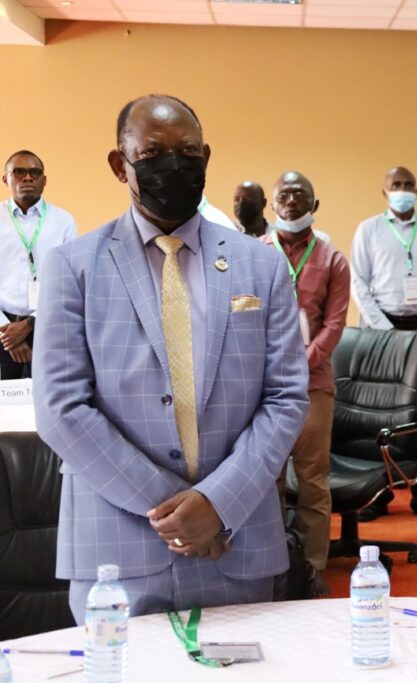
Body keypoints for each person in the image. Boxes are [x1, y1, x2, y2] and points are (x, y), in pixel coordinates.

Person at [33, 94, 309, 621]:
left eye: (187, 150)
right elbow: (61, 408)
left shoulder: (261, 266)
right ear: (121, 164)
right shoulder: (72, 266)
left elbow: (287, 397)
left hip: (238, 538)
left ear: (206, 158)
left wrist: (218, 504)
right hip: (116, 547)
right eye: (153, 151)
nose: (173, 164)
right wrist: (180, 511)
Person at [260, 171, 349, 596]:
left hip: (313, 387)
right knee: (266, 481)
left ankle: (313, 569)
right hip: (263, 392)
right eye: (284, 194)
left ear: (315, 206)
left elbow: (334, 324)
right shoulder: (253, 254)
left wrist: (300, 364)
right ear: (271, 205)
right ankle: (274, 566)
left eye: (301, 195)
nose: (291, 201)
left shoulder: (333, 259)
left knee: (313, 482)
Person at [350, 166, 417, 522]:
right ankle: (378, 496)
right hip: (381, 330)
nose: (403, 190)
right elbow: (359, 284)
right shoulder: (368, 230)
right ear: (384, 192)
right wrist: (384, 330)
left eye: (409, 184)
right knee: (381, 416)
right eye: (396, 185)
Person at [0, 150, 76, 379]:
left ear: (44, 180)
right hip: (2, 330)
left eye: (35, 172)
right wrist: (7, 334)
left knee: (47, 400)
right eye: (19, 172)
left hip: (49, 325)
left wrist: (29, 325)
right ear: (6, 179)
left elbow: (69, 280)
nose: (27, 178)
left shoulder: (63, 221)